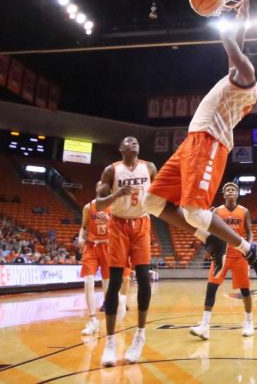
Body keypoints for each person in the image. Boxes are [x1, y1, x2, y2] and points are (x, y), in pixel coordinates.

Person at [142, 0, 257, 289]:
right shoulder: (236, 77)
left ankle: (250, 250)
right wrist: (244, 12)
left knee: (195, 212)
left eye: (240, 61)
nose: (235, 63)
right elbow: (236, 42)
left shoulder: (248, 77)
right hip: (193, 141)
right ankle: (211, 236)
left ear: (249, 67)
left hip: (211, 143)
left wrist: (217, 14)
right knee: (150, 201)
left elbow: (232, 45)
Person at [96, 136, 156, 366]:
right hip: (118, 225)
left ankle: (140, 334)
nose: (133, 143)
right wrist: (116, 195)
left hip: (141, 224)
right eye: (128, 142)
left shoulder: (149, 167)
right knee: (114, 283)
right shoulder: (111, 171)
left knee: (143, 278)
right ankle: (110, 342)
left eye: (136, 142)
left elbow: (159, 193)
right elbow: (99, 204)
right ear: (120, 148)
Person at [190, 182, 255, 339]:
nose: (231, 191)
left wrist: (250, 246)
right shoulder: (217, 211)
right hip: (221, 254)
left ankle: (249, 322)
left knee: (245, 290)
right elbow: (207, 229)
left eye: (233, 190)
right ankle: (205, 325)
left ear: (237, 194)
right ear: (224, 195)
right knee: (211, 287)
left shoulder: (244, 211)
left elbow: (249, 232)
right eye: (228, 190)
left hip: (239, 254)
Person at [78, 199, 128, 335]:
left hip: (108, 246)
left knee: (107, 287)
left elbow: (122, 229)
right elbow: (83, 227)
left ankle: (120, 299)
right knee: (88, 281)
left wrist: (109, 221)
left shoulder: (115, 207)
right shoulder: (88, 207)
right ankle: (92, 320)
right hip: (91, 246)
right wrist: (80, 237)